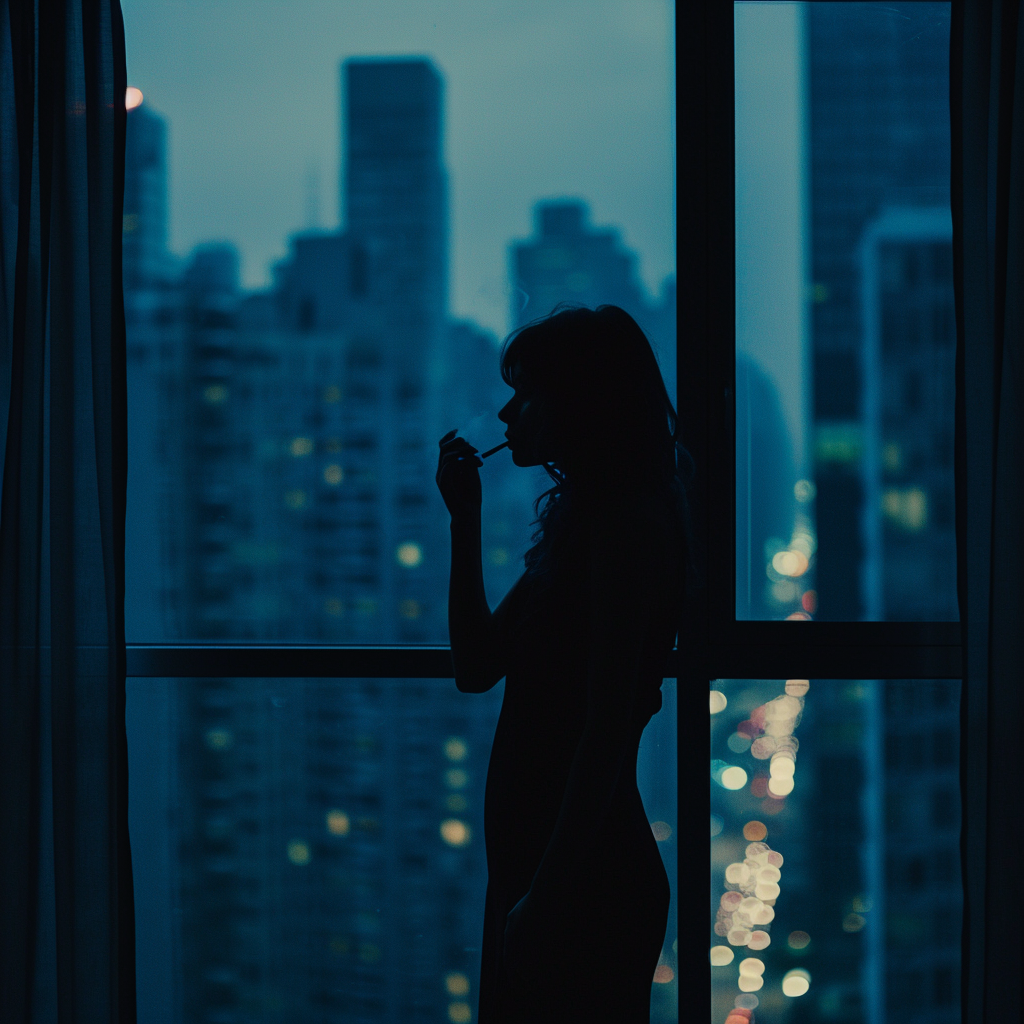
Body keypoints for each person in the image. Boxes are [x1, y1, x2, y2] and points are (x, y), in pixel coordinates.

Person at [435, 304, 689, 1023]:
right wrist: (464, 521)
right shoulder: (588, 523)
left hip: (578, 879)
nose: (509, 412)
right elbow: (477, 664)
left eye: (528, 393)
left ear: (581, 401)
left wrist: (545, 896)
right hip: (548, 871)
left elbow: (605, 727)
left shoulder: (623, 527)